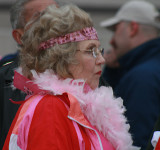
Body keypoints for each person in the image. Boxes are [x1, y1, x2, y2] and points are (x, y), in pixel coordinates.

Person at [3, 4, 139, 150]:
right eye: (90, 51)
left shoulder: (80, 105)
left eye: (99, 50)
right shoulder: (50, 107)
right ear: (63, 58)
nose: (101, 60)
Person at [100, 0, 160, 149]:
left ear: (133, 28)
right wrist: (114, 71)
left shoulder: (142, 78)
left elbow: (136, 141)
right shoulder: (146, 69)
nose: (112, 40)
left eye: (116, 29)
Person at [0, 0, 58, 149]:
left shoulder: (84, 76)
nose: (57, 24)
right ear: (20, 36)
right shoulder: (2, 82)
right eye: (43, 18)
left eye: (60, 16)